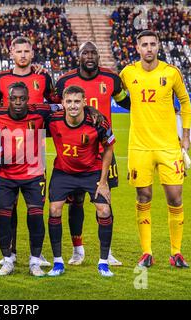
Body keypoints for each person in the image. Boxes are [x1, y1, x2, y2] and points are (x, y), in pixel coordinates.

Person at [119, 30, 191, 268]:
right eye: (144, 45)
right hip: (139, 147)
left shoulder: (171, 72)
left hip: (169, 146)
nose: (149, 48)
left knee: (175, 196)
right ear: (137, 48)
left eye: (152, 44)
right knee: (144, 196)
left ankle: (176, 252)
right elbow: (111, 88)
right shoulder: (128, 73)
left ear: (158, 46)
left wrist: (186, 136)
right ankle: (146, 253)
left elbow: (185, 101)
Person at [54, 41, 131, 266]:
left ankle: (107, 252)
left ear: (99, 56)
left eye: (93, 53)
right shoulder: (64, 81)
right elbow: (54, 105)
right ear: (78, 56)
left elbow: (126, 101)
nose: (89, 56)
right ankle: (78, 249)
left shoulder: (112, 79)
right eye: (85, 52)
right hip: (75, 151)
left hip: (103, 150)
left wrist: (156, 107)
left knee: (104, 199)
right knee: (75, 201)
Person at [0, 36, 55, 267]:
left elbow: (56, 102)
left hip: (35, 146)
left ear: (32, 53)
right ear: (11, 53)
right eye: (19, 51)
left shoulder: (42, 76)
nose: (23, 55)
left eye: (27, 51)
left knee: (35, 205)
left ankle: (37, 254)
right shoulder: (2, 79)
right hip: (9, 144)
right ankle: (12, 251)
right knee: (9, 206)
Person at [46, 85, 116, 277]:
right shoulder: (53, 119)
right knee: (54, 209)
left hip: (91, 172)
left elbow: (108, 148)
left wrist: (103, 182)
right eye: (69, 101)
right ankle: (58, 262)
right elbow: (35, 110)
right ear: (62, 103)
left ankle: (103, 263)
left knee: (104, 210)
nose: (73, 106)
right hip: (63, 172)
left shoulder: (98, 122)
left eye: (77, 101)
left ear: (85, 102)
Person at [0, 82, 49, 277]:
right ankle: (7, 259)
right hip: (5, 175)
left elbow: (66, 107)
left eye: (22, 98)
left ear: (28, 99)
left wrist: (90, 109)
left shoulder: (40, 114)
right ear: (7, 99)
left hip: (33, 174)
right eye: (14, 98)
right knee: (4, 217)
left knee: (36, 216)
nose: (18, 102)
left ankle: (35, 261)